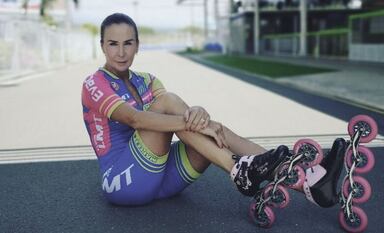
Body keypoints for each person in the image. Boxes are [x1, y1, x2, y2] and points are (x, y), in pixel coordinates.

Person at [81, 13, 346, 207]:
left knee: (211, 129)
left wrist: (198, 113)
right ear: (102, 45)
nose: (121, 51)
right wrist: (196, 123)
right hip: (123, 183)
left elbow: (178, 115)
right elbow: (135, 119)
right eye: (113, 44)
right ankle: (237, 169)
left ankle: (310, 183)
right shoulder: (95, 83)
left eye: (128, 43)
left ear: (137, 45)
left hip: (164, 179)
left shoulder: (148, 79)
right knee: (174, 107)